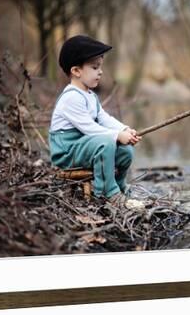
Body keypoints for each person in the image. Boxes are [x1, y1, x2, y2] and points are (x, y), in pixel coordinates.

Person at [49, 35, 143, 209]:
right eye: (94, 67)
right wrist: (116, 136)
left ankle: (119, 186)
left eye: (100, 67)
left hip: (84, 146)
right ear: (76, 71)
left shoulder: (90, 96)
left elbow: (104, 119)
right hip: (67, 151)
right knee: (106, 143)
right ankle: (108, 193)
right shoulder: (71, 98)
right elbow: (90, 128)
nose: (100, 71)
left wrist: (125, 129)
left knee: (126, 151)